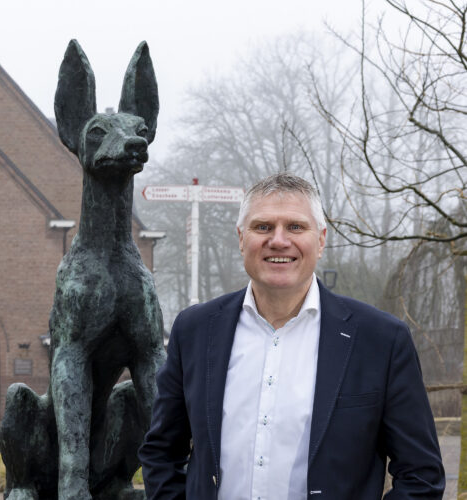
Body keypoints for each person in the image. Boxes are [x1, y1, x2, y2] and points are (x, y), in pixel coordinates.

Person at [139, 172, 445, 499]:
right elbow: (161, 453)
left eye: (296, 227)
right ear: (241, 238)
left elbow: (421, 476)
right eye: (263, 227)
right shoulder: (195, 331)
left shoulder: (381, 340)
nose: (279, 240)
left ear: (321, 240)